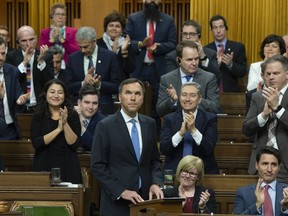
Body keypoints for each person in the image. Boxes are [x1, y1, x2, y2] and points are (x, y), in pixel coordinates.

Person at [91, 78, 164, 216]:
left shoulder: (149, 124)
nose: (133, 98)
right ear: (120, 97)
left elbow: (154, 160)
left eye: (137, 93)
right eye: (128, 93)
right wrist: (121, 191)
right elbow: (97, 165)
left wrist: (156, 183)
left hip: (144, 201)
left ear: (142, 98)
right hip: (116, 203)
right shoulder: (105, 126)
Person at [125, 0, 177, 127]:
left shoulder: (168, 20)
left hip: (158, 69)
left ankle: (156, 137)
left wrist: (159, 47)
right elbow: (125, 40)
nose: (152, 1)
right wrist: (140, 44)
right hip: (138, 68)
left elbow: (173, 43)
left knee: (157, 106)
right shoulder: (134, 18)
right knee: (134, 101)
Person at [243, 55, 288, 184]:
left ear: (287, 74)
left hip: (285, 164)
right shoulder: (258, 97)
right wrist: (263, 116)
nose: (271, 77)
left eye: (276, 73)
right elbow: (246, 129)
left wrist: (278, 109)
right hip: (261, 165)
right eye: (268, 74)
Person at [31, 79, 82, 184]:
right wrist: (58, 129)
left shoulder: (72, 114)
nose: (56, 95)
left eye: (60, 92)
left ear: (64, 95)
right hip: (44, 163)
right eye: (52, 92)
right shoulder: (38, 115)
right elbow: (37, 143)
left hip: (68, 164)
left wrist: (65, 123)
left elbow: (75, 144)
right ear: (45, 94)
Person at [160, 82, 219, 174]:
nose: (187, 99)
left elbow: (208, 148)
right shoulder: (169, 119)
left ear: (199, 99)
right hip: (175, 172)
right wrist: (180, 133)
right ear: (180, 97)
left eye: (192, 95)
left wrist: (193, 130)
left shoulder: (210, 119)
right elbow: (164, 149)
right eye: (184, 95)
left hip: (203, 172)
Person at [65, 26, 121, 115]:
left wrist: (99, 84)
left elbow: (117, 86)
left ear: (94, 41)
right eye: (80, 47)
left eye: (86, 47)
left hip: (103, 107)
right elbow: (67, 86)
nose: (83, 50)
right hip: (79, 109)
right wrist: (83, 83)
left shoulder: (109, 57)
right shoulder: (73, 58)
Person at [156, 40, 220, 117]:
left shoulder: (209, 78)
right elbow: (159, 111)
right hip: (176, 126)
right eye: (189, 60)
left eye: (196, 59)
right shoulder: (167, 79)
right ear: (179, 60)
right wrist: (173, 101)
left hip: (200, 125)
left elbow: (215, 108)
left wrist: (195, 100)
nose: (194, 63)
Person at [6, 25, 53, 112]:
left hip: (40, 107)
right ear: (18, 42)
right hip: (19, 107)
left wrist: (41, 62)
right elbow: (10, 81)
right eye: (24, 40)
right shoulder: (11, 56)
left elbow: (50, 82)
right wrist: (24, 63)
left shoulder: (46, 56)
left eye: (31, 39)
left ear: (36, 38)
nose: (28, 44)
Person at [233, 146, 288, 215]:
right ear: (257, 165)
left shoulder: (287, 191)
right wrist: (257, 205)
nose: (269, 169)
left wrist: (285, 209)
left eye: (273, 164)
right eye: (265, 164)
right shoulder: (243, 192)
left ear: (279, 167)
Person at [165, 19, 221, 85]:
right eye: (185, 34)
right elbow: (171, 81)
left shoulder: (211, 54)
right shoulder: (172, 56)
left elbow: (217, 78)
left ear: (199, 36)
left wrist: (203, 57)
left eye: (191, 34)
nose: (188, 37)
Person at [205, 14, 247, 92]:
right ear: (211, 30)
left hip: (232, 94)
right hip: (211, 92)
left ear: (226, 28)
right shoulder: (206, 49)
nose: (218, 31)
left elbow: (243, 72)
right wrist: (216, 65)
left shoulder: (238, 47)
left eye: (221, 27)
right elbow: (204, 73)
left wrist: (230, 64)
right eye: (215, 28)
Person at [0, 37, 29, 140]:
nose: (1, 57)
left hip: (10, 130)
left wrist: (20, 101)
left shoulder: (12, 71)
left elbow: (18, 95)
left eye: (3, 53)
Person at [97, 11, 135, 80]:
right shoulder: (98, 44)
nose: (114, 28)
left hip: (122, 83)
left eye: (117, 26)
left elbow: (130, 69)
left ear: (122, 30)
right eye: (111, 25)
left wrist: (124, 52)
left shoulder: (127, 44)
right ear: (106, 28)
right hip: (103, 83)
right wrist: (112, 53)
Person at [75, 84, 105, 151]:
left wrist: (82, 128)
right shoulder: (69, 117)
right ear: (79, 103)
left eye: (94, 103)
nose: (91, 107)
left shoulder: (103, 122)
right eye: (87, 102)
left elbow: (96, 147)